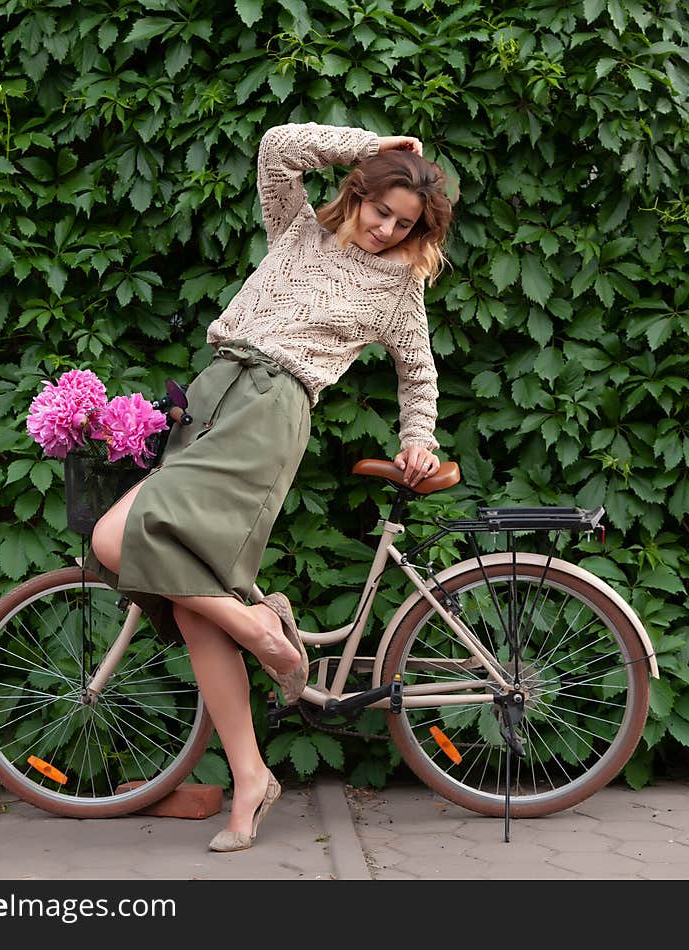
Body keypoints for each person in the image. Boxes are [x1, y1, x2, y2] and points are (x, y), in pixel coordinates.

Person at [87, 121, 456, 851]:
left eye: (404, 224)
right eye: (381, 209)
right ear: (358, 193)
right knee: (195, 603)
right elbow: (277, 147)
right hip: (211, 393)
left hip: (272, 409)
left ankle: (261, 631)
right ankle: (252, 768)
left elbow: (417, 371)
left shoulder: (397, 288)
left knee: (112, 535)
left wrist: (418, 438)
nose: (387, 229)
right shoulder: (297, 230)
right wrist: (373, 143)